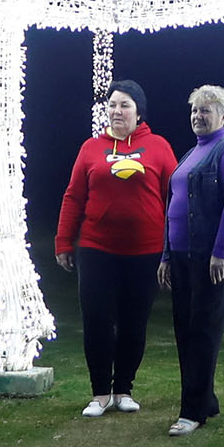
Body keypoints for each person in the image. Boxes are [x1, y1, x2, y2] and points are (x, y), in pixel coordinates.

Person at [55, 79, 178, 418]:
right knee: (96, 320)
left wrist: (173, 247)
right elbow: (73, 196)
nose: (116, 111)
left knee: (133, 322)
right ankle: (99, 394)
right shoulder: (91, 148)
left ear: (139, 113)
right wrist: (64, 241)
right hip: (96, 249)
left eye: (124, 105)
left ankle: (123, 389)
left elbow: (174, 198)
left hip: (145, 252)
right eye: (112, 105)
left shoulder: (158, 147)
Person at [159, 85, 224, 437]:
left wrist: (221, 251)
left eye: (206, 111)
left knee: (202, 331)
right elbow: (174, 207)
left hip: (211, 258)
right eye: (195, 110)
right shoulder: (192, 154)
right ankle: (206, 400)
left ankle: (192, 411)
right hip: (182, 256)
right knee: (185, 329)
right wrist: (167, 255)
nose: (198, 116)